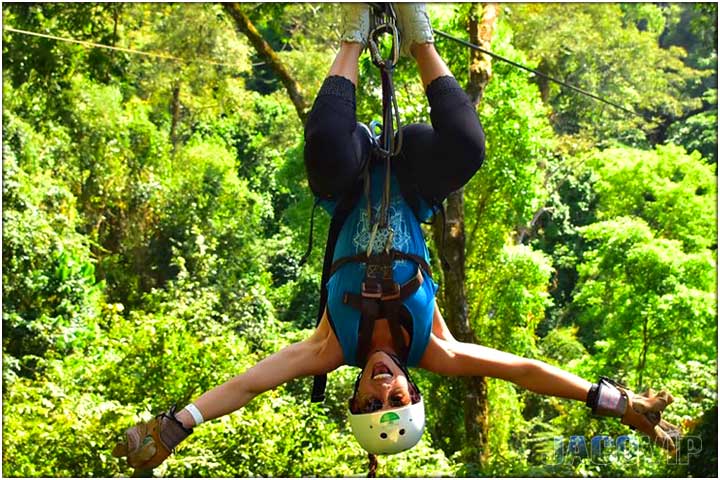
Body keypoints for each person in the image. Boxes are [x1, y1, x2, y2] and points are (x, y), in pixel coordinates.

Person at [112, 3, 679, 472]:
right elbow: (522, 370)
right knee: (469, 149)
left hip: (350, 175)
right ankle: (418, 35)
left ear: (354, 397)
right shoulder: (435, 347)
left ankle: (353, 34)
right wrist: (615, 402)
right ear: (413, 389)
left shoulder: (328, 348)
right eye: (399, 399)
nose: (386, 387)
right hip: (411, 176)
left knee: (329, 145)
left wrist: (175, 427)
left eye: (373, 401)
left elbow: (246, 386)